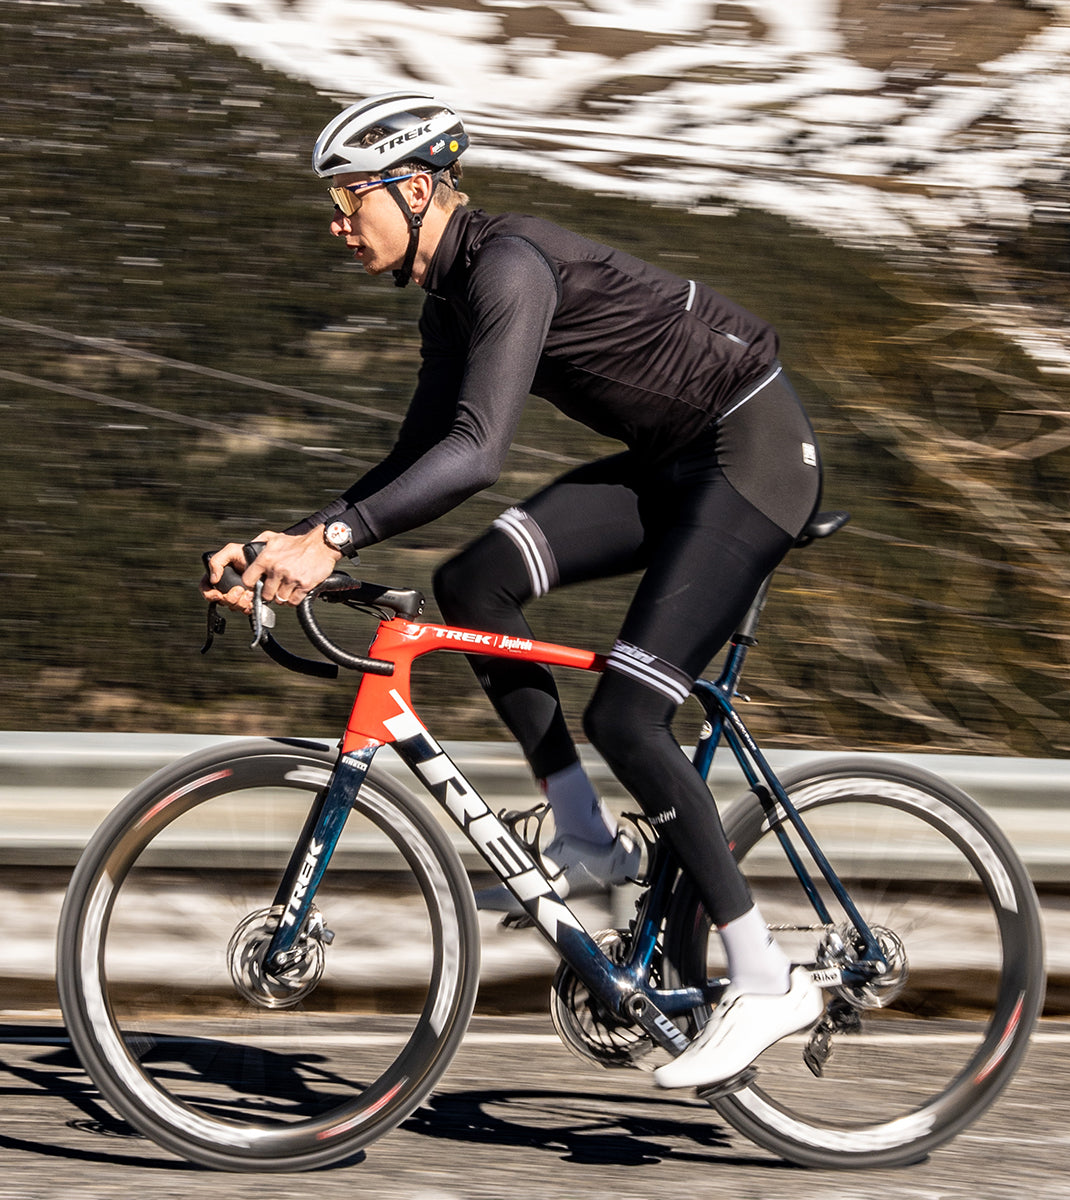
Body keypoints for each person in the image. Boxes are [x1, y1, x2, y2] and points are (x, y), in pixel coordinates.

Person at [203, 92, 825, 1089]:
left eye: (350, 198)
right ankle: (586, 839)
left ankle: (764, 975)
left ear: (415, 190)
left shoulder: (507, 267)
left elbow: (478, 452)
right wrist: (293, 540)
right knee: (473, 578)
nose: (337, 223)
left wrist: (334, 539)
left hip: (751, 456)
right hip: (673, 468)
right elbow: (418, 454)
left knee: (628, 715)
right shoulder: (449, 297)